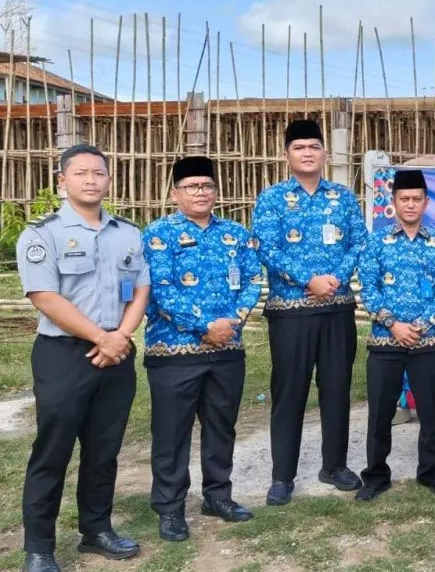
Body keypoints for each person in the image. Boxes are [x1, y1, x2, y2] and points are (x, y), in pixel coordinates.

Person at [15, 144, 149, 572]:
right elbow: (45, 297)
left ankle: (96, 529)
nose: (91, 180)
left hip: (117, 353)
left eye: (98, 173)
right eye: (81, 173)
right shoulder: (43, 234)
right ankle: (39, 548)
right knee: (52, 451)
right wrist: (101, 338)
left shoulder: (127, 233)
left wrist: (120, 337)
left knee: (104, 449)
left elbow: (141, 288)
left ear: (108, 180)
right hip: (64, 355)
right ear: (62, 180)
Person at [142, 156, 265, 541]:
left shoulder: (235, 234)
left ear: (216, 191)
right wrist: (205, 326)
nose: (201, 192)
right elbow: (159, 290)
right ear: (175, 193)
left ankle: (218, 496)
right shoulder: (158, 234)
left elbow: (253, 280)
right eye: (192, 186)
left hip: (227, 349)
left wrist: (233, 321)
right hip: (173, 353)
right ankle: (170, 508)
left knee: (221, 427)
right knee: (171, 433)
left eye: (207, 186)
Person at [252, 119, 368, 505]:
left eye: (314, 146)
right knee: (290, 393)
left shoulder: (343, 197)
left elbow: (359, 242)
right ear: (286, 155)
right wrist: (309, 280)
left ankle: (334, 466)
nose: (307, 153)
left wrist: (335, 278)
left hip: (337, 308)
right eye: (299, 147)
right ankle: (282, 476)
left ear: (325, 154)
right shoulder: (272, 198)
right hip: (290, 313)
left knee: (336, 389)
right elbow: (266, 247)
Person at [357, 169, 435, 500]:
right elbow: (368, 287)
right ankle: (376, 475)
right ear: (394, 202)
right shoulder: (376, 242)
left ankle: (430, 471)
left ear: (426, 202)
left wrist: (421, 325)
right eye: (405, 199)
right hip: (385, 339)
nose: (411, 204)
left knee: (430, 412)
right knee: (380, 413)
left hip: (426, 340)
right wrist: (393, 324)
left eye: (417, 199)